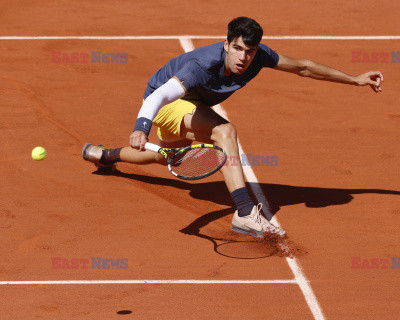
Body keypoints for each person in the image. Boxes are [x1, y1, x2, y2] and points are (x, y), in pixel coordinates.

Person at [83, 16, 383, 238]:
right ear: (226, 44)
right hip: (163, 102)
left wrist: (354, 79)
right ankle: (244, 213)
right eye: (237, 49)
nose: (243, 57)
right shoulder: (202, 65)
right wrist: (141, 127)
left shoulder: (258, 57)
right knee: (224, 131)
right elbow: (161, 95)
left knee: (165, 156)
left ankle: (104, 155)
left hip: (190, 104)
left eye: (250, 51)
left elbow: (303, 66)